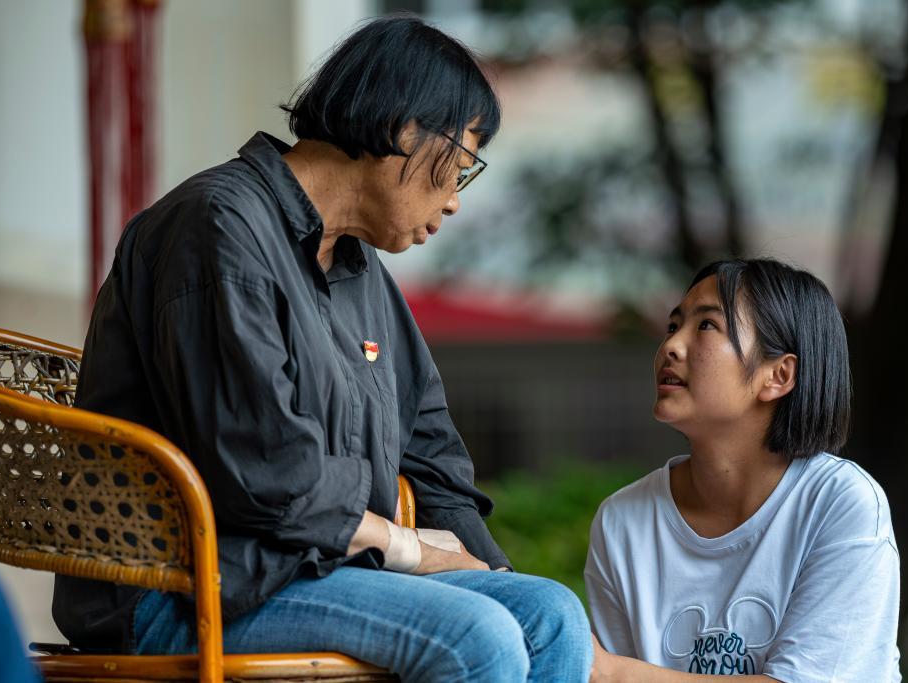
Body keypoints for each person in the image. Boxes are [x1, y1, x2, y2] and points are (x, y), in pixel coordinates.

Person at [52, 15, 592, 683]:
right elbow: (263, 471)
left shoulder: (363, 272)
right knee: (475, 636)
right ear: (405, 130)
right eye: (460, 165)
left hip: (316, 572)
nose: (455, 200)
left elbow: (433, 457)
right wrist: (411, 549)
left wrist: (491, 573)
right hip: (183, 584)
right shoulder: (217, 226)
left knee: (549, 615)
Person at [586, 259, 901, 682]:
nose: (671, 346)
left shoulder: (840, 503)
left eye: (706, 326)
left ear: (778, 375)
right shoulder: (622, 520)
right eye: (673, 325)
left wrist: (614, 672)